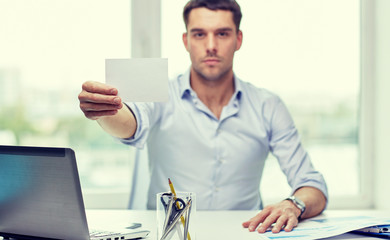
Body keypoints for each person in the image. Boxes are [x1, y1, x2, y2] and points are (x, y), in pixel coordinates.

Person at [78, 0, 328, 234]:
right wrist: (105, 110)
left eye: (222, 33)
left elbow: (313, 186)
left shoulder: (268, 106)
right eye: (199, 34)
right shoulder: (161, 94)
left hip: (244, 235)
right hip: (170, 234)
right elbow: (128, 122)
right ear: (186, 41)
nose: (211, 45)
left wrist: (294, 204)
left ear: (238, 39)